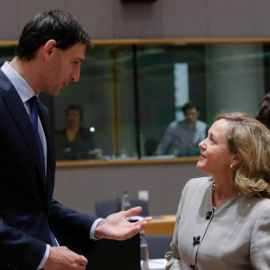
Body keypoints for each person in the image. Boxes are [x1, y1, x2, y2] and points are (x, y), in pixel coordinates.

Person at [0, 9, 151, 270]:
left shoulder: (40, 113)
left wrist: (97, 225)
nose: (76, 76)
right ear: (49, 50)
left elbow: (39, 206)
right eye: (75, 62)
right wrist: (42, 255)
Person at [165, 112, 270, 270]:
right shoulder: (191, 189)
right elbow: (175, 257)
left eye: (212, 140)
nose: (201, 143)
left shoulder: (262, 211)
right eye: (206, 136)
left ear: (236, 158)